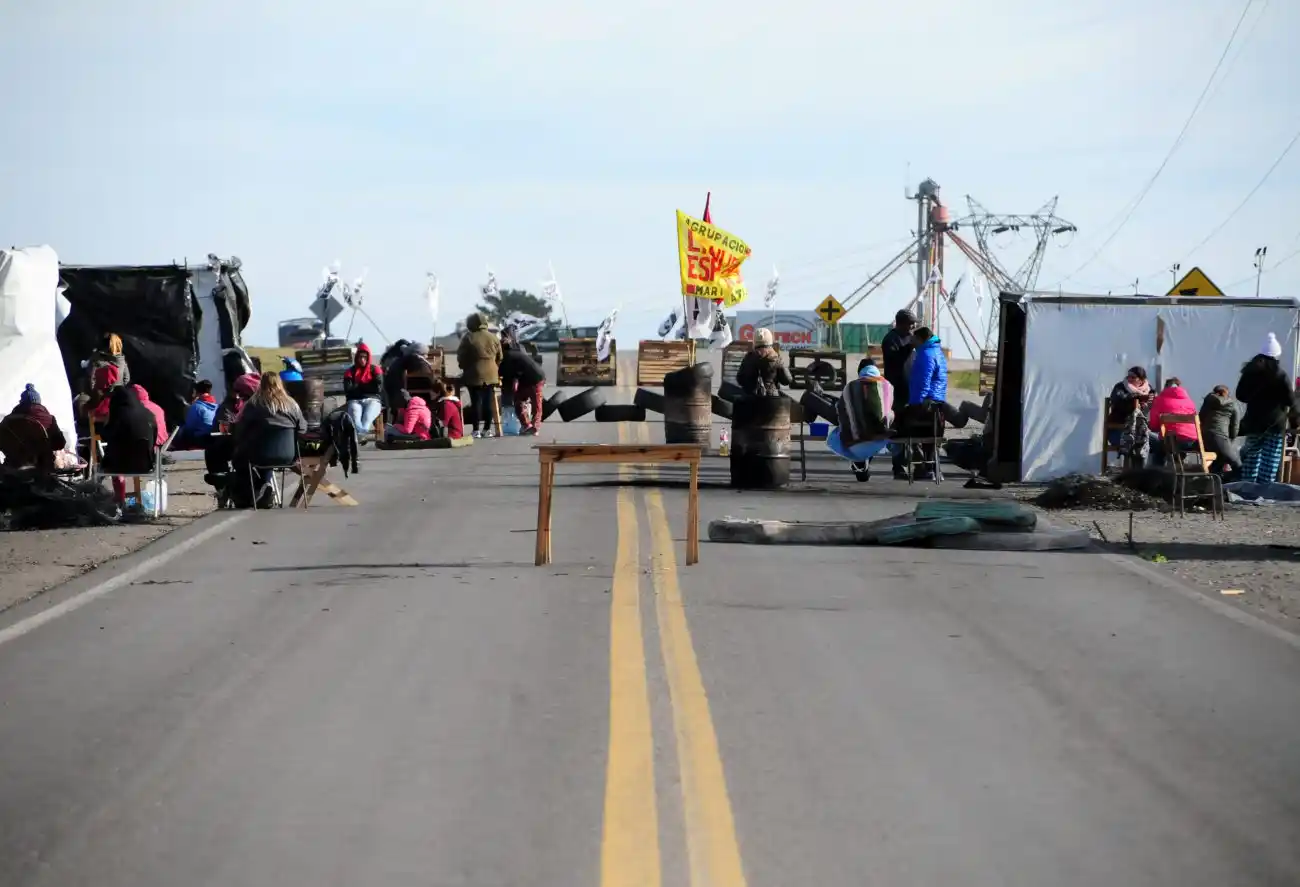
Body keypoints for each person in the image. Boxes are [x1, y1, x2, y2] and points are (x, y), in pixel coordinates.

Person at [232, 372, 306, 507]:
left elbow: (241, 429)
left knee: (238, 459)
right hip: (288, 455)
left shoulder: (254, 404)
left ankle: (259, 487)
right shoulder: (292, 404)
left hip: (260, 454)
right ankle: (263, 488)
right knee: (263, 456)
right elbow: (302, 429)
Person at [1236, 332, 1295, 484]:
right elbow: (1289, 400)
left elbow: (1240, 395)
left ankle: (1247, 486)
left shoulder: (1249, 372)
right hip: (1275, 423)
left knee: (1251, 456)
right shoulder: (1281, 375)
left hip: (1253, 422)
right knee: (1270, 458)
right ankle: (1265, 488)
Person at [827, 360, 893, 481]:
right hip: (881, 441)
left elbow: (841, 413)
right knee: (885, 418)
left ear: (860, 373)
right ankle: (862, 462)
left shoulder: (850, 387)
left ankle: (859, 461)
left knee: (838, 433)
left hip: (854, 442)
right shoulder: (887, 386)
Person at [99, 385, 158, 505]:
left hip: (119, 466)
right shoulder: (148, 414)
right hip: (146, 465)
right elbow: (154, 438)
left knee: (108, 458)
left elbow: (106, 436)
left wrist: (105, 424)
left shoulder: (119, 414)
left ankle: (118, 498)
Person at [881, 309, 917, 478]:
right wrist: (911, 346)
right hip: (895, 393)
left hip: (911, 391)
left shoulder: (911, 338)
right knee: (897, 430)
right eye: (910, 324)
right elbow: (895, 359)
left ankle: (914, 462)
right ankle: (898, 467)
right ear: (900, 323)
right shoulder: (890, 340)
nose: (912, 327)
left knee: (911, 428)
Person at [456, 312, 503, 438]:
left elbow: (461, 356)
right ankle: (487, 429)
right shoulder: (493, 337)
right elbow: (500, 356)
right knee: (488, 402)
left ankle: (476, 430)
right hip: (491, 373)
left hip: (474, 373)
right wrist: (494, 366)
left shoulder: (468, 337)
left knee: (476, 401)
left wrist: (464, 367)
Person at [1, 384, 67, 469]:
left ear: (21, 402)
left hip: (12, 467)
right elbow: (59, 444)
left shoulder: (8, 420)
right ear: (39, 402)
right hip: (42, 468)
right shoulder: (49, 419)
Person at [342, 342, 384, 455]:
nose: (362, 359)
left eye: (365, 357)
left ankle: (360, 436)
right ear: (356, 358)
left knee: (367, 417)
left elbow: (378, 389)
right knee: (355, 417)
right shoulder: (350, 372)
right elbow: (348, 389)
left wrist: (359, 386)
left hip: (373, 400)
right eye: (360, 357)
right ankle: (362, 435)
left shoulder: (375, 370)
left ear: (368, 357)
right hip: (355, 400)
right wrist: (367, 386)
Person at [1147, 378, 1200, 467]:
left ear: (1165, 387)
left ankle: (1156, 474)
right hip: (1193, 442)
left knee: (1156, 444)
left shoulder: (1160, 400)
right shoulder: (1190, 401)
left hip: (1173, 442)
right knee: (1166, 444)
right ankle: (1177, 468)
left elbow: (1154, 426)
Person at [500, 336, 547, 435]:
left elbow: (503, 372)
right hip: (531, 379)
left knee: (529, 404)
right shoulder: (517, 352)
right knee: (532, 404)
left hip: (534, 379)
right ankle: (530, 426)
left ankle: (531, 427)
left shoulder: (507, 356)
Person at [1107, 366, 1153, 463]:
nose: (1129, 379)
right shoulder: (1120, 387)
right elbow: (1121, 401)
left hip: (1140, 431)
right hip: (1118, 430)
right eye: (1129, 376)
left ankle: (1150, 473)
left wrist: (1146, 403)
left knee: (1158, 442)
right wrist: (1137, 399)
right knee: (1137, 441)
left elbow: (1150, 408)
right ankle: (1134, 473)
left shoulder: (1149, 391)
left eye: (1133, 377)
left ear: (1141, 380)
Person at [1199, 384, 1242, 476]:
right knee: (1237, 464)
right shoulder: (1232, 404)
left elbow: (1200, 417)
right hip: (1220, 437)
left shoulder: (1208, 401)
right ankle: (1232, 485)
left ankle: (1213, 483)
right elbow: (1235, 426)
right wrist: (1230, 441)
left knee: (1219, 460)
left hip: (1204, 439)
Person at [736, 328, 792, 396]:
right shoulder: (775, 358)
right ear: (770, 340)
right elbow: (787, 380)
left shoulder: (748, 357)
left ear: (754, 341)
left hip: (750, 401)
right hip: (771, 401)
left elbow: (739, 379)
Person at [176, 379, 218, 449]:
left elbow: (189, 428)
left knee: (181, 430)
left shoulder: (196, 407)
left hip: (201, 440)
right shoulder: (217, 406)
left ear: (197, 393)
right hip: (214, 439)